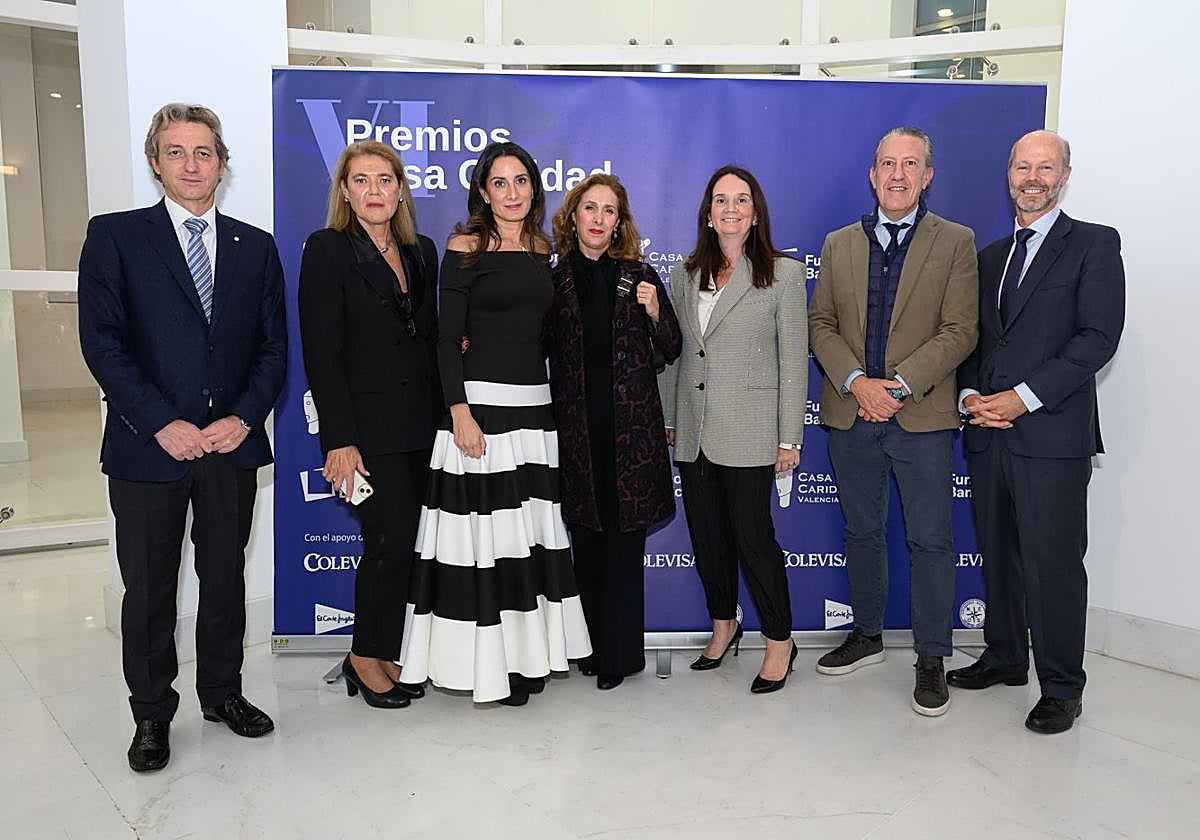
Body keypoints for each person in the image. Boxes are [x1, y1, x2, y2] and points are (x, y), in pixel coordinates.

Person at [77, 103, 287, 771]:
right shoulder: (115, 237)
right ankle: (150, 715)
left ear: (223, 164)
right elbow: (103, 344)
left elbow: (273, 350)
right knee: (150, 592)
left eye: (203, 152)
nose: (191, 163)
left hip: (230, 447)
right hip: (148, 450)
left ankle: (223, 693)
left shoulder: (255, 246)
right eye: (176, 151)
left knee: (224, 578)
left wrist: (243, 418)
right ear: (154, 161)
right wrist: (160, 422)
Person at [399, 141, 592, 706]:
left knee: (524, 544)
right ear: (483, 191)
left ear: (534, 188)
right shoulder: (465, 247)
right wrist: (458, 410)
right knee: (483, 548)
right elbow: (444, 337)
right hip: (479, 413)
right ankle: (488, 667)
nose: (512, 192)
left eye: (521, 181)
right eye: (499, 183)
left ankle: (526, 660)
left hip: (535, 413)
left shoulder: (543, 251)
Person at [949, 130, 1125, 735]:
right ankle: (1004, 657)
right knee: (999, 556)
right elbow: (973, 340)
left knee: (1052, 563)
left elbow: (1097, 341)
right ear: (1008, 175)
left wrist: (1021, 400)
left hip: (1050, 435)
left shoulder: (1095, 246)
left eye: (1045, 167)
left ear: (1065, 176)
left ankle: (1061, 687)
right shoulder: (990, 257)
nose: (1032, 177)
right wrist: (972, 397)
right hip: (987, 432)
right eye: (1022, 166)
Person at [808, 126, 978, 717]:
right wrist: (857, 383)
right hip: (852, 413)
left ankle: (932, 659)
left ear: (927, 176)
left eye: (911, 164)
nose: (898, 174)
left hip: (922, 415)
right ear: (873, 174)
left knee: (930, 540)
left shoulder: (955, 242)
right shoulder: (838, 244)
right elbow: (821, 324)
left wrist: (900, 386)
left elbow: (961, 330)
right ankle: (867, 635)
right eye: (888, 163)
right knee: (862, 533)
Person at [298, 140, 440, 709]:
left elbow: (428, 342)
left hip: (421, 427)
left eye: (385, 180)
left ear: (401, 189)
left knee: (409, 544)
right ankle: (363, 655)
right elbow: (321, 355)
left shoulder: (422, 250)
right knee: (387, 539)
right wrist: (340, 441)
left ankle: (387, 648)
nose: (375, 191)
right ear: (345, 191)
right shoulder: (328, 250)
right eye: (362, 180)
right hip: (365, 430)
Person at [658, 165, 807, 694]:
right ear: (707, 210)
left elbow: (794, 362)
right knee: (708, 538)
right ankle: (724, 625)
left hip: (749, 434)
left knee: (753, 539)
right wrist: (670, 418)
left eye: (740, 199)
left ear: (755, 210)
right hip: (694, 433)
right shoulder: (685, 273)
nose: (730, 208)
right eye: (720, 199)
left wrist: (790, 438)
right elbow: (675, 355)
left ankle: (779, 642)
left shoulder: (783, 276)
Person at [544, 174, 682, 690]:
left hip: (631, 435)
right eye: (589, 209)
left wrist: (652, 310)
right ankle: (588, 647)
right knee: (586, 539)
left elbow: (672, 344)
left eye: (609, 211)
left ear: (619, 221)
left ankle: (618, 659)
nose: (599, 219)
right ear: (573, 216)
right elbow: (528, 343)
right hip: (576, 431)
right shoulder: (552, 280)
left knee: (624, 546)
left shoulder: (639, 275)